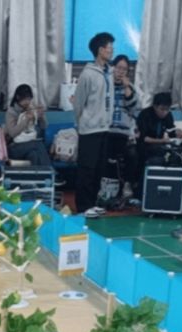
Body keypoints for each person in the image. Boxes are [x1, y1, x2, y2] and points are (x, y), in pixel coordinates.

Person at [73, 32, 114, 218]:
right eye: (109, 48)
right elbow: (79, 103)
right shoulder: (87, 74)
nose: (111, 51)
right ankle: (83, 206)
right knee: (87, 169)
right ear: (100, 50)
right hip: (89, 129)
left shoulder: (109, 72)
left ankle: (92, 203)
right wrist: (81, 123)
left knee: (99, 169)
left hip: (105, 127)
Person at [106, 54, 139, 202]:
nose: (121, 72)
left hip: (123, 133)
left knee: (132, 154)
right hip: (106, 130)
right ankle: (105, 189)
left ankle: (127, 184)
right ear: (112, 68)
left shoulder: (130, 88)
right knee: (105, 156)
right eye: (118, 68)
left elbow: (133, 107)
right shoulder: (106, 85)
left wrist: (126, 87)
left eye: (124, 69)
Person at [136, 92, 182, 169]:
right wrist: (162, 141)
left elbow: (171, 131)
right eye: (162, 109)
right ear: (155, 106)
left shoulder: (168, 115)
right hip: (144, 146)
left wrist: (178, 133)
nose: (165, 112)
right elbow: (142, 138)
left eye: (167, 109)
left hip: (160, 144)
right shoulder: (145, 114)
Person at [4, 84, 50, 167]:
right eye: (25, 99)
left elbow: (44, 126)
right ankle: (50, 171)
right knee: (38, 144)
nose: (27, 102)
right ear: (18, 97)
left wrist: (42, 116)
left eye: (29, 99)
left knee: (34, 155)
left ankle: (39, 175)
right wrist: (26, 119)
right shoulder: (11, 112)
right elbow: (12, 133)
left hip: (30, 146)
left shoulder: (31, 108)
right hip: (14, 147)